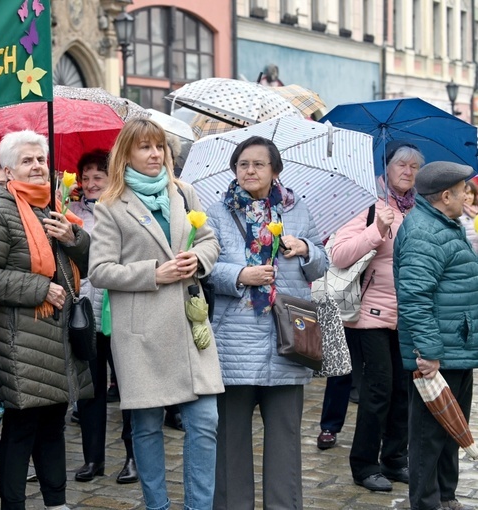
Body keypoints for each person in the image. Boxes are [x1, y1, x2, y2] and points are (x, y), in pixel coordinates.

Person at [89, 118, 223, 510]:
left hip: (188, 325)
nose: (154, 154)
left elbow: (211, 239)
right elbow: (100, 271)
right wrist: (154, 273)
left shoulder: (183, 191)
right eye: (145, 147)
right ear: (126, 154)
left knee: (205, 422)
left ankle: (199, 506)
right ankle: (157, 505)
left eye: (159, 147)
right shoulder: (111, 205)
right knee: (146, 427)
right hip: (142, 331)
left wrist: (196, 258)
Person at [0, 130, 92, 510]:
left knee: (53, 424)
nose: (37, 166)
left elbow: (87, 264)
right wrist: (38, 288)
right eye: (27, 161)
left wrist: (73, 237)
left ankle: (56, 502)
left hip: (58, 335)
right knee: (22, 428)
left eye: (41, 159)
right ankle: (14, 504)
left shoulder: (55, 206)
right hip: (20, 336)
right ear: (8, 170)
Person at [207, 135, 328, 509]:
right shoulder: (216, 212)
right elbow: (205, 267)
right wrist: (241, 275)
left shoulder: (296, 210)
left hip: (287, 339)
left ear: (275, 170)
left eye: (259, 164)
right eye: (243, 164)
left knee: (285, 438)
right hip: (234, 339)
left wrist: (306, 249)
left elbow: (322, 262)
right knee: (230, 440)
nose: (250, 170)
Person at [330, 141, 423, 492]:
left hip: (408, 315)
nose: (408, 172)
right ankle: (364, 463)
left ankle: (395, 458)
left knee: (404, 390)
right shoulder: (368, 206)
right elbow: (339, 254)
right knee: (378, 390)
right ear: (387, 167)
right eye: (402, 165)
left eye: (414, 167)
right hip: (369, 314)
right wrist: (376, 230)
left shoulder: (419, 209)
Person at [393, 161, 478, 510]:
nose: (467, 197)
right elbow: (415, 297)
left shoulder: (446, 223)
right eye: (463, 192)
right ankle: (427, 502)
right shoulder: (424, 232)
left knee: (451, 430)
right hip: (437, 352)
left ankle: (446, 496)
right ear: (446, 196)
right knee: (429, 436)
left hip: (455, 345)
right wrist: (428, 352)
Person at [69, 150, 138, 485]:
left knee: (130, 389)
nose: (92, 183)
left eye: (100, 176)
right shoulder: (70, 214)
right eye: (87, 176)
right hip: (86, 314)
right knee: (91, 391)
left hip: (121, 312)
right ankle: (92, 458)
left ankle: (133, 456)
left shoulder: (127, 211)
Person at [459, 179, 478, 253]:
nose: (469, 197)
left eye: (471, 193)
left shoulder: (476, 210)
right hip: (467, 253)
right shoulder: (458, 213)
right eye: (467, 193)